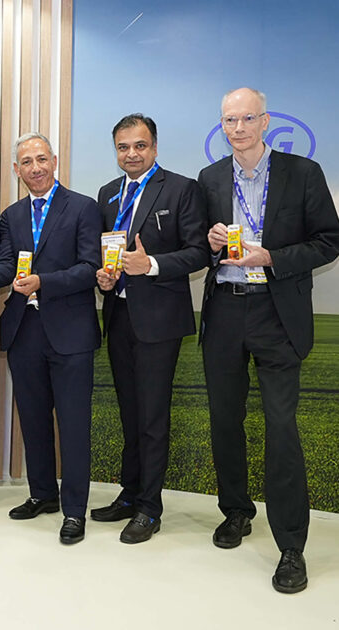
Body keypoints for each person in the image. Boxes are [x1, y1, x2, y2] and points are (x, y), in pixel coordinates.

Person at [198, 87, 339, 593]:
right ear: (222, 126)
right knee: (225, 421)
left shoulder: (303, 173)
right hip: (224, 310)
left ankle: (291, 547)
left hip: (277, 313)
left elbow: (329, 241)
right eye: (229, 120)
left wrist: (272, 257)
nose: (237, 128)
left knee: (281, 428)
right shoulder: (211, 178)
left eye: (247, 118)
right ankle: (236, 511)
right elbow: (198, 247)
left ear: (265, 121)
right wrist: (212, 245)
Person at [0, 132, 101, 543]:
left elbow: (90, 268)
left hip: (71, 334)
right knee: (33, 420)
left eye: (41, 159)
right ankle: (43, 494)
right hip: (24, 331)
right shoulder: (11, 215)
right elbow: (7, 265)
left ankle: (74, 510)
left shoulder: (83, 207)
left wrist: (43, 282)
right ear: (16, 170)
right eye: (26, 162)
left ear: (55, 161)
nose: (35, 168)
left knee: (74, 425)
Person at [92, 113, 207, 544]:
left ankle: (149, 508)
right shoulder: (107, 194)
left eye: (140, 146)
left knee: (152, 416)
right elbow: (106, 254)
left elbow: (199, 253)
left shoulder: (180, 189)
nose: (132, 154)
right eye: (123, 147)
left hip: (159, 321)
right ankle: (130, 494)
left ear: (154, 147)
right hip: (118, 315)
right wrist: (104, 279)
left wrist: (151, 264)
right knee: (129, 411)